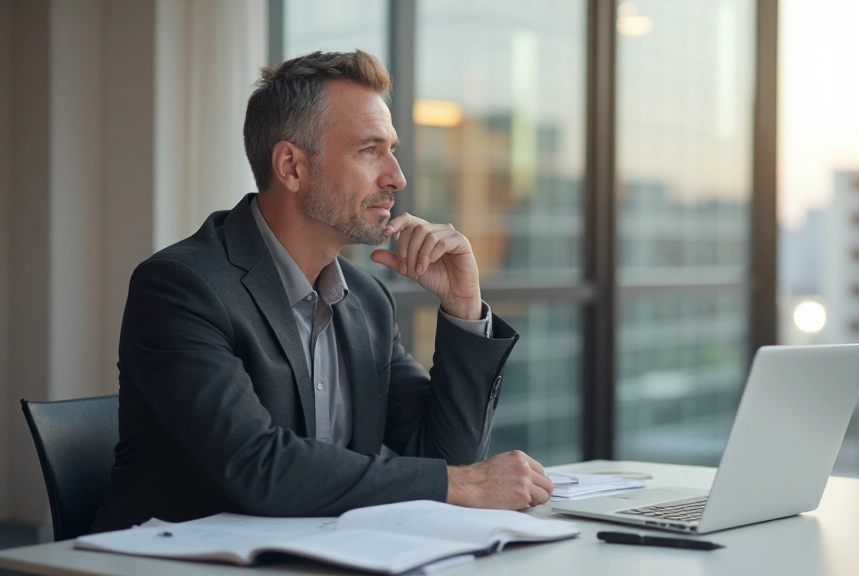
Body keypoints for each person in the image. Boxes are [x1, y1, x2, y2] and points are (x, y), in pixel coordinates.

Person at [90, 50, 554, 533]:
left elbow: (445, 456)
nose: (397, 176)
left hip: (325, 556)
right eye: (369, 150)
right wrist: (461, 485)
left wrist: (463, 308)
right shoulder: (182, 287)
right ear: (291, 166)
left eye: (392, 149)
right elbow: (257, 466)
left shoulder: (368, 301)